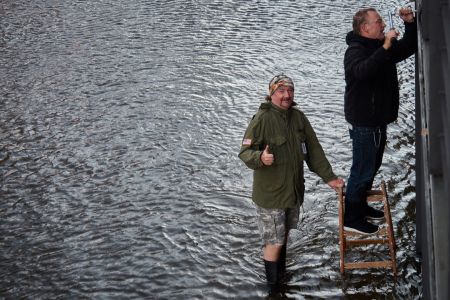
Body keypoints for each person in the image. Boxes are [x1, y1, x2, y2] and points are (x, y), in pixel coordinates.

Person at [238, 74, 344, 295]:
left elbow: (314, 151)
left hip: (292, 191)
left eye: (290, 91)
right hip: (270, 195)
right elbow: (245, 152)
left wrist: (330, 179)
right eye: (281, 91)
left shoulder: (298, 118)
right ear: (272, 94)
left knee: (283, 236)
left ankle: (281, 278)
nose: (287, 95)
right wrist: (260, 158)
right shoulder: (262, 119)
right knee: (274, 242)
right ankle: (274, 290)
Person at [343, 7, 417, 234]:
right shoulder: (355, 50)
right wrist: (385, 47)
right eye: (378, 22)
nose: (383, 24)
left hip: (377, 121)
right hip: (365, 122)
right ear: (365, 28)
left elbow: (407, 48)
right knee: (362, 170)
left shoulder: (379, 47)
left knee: (371, 167)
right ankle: (352, 218)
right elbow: (362, 71)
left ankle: (361, 206)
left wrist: (410, 24)